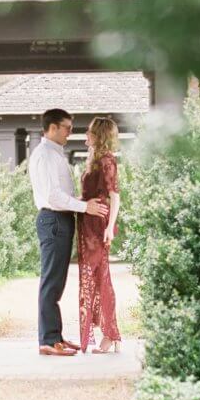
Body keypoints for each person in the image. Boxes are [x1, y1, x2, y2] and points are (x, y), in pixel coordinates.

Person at [28, 108, 109, 357]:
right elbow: (53, 196)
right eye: (67, 128)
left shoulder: (54, 154)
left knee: (57, 282)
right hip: (53, 220)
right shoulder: (45, 156)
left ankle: (56, 336)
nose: (70, 132)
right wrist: (85, 206)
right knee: (51, 281)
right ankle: (48, 340)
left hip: (60, 220)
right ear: (52, 128)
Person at [78, 116, 122, 354]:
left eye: (90, 131)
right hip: (87, 225)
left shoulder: (106, 161)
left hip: (97, 227)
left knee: (100, 279)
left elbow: (115, 196)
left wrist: (109, 228)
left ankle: (111, 334)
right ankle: (110, 334)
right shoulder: (95, 161)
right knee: (95, 278)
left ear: (99, 135)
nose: (86, 134)